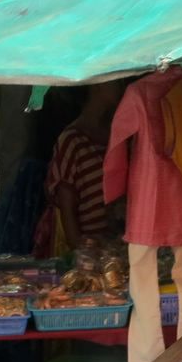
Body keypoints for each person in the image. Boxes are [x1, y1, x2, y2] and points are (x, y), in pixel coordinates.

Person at [35, 81, 124, 257]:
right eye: (116, 81)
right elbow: (68, 218)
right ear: (97, 85)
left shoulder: (116, 136)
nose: (121, 86)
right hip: (88, 256)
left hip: (114, 252)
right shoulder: (72, 141)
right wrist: (86, 254)